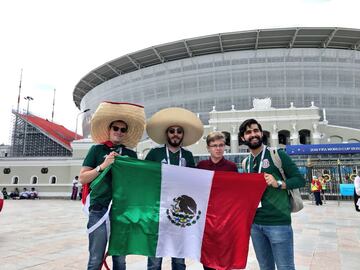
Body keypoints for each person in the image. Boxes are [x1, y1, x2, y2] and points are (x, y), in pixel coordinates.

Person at [79, 102, 145, 270]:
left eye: (123, 130)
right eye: (116, 128)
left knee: (120, 259)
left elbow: (136, 183)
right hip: (99, 208)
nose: (119, 132)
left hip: (122, 210)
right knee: (96, 258)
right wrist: (103, 165)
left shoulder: (130, 154)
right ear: (109, 130)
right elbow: (83, 178)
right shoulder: (96, 150)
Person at [239, 118, 305, 270]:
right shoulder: (246, 162)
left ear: (261, 133)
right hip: (255, 225)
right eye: (248, 132)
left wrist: (279, 183)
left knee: (285, 267)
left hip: (278, 223)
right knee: (265, 267)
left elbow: (300, 180)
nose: (253, 134)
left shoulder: (277, 154)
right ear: (243, 138)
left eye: (256, 130)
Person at [145, 107, 204, 270]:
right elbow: (144, 179)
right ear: (167, 134)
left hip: (179, 214)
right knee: (155, 259)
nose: (175, 134)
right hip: (158, 211)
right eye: (172, 131)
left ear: (182, 135)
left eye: (179, 131)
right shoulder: (154, 154)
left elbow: (193, 182)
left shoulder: (188, 156)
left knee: (179, 259)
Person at [197, 131, 237, 270]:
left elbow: (235, 194)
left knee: (225, 256)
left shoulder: (231, 167)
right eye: (214, 145)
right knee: (207, 256)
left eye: (221, 145)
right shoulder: (201, 166)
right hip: (206, 219)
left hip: (225, 219)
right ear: (208, 148)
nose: (218, 148)